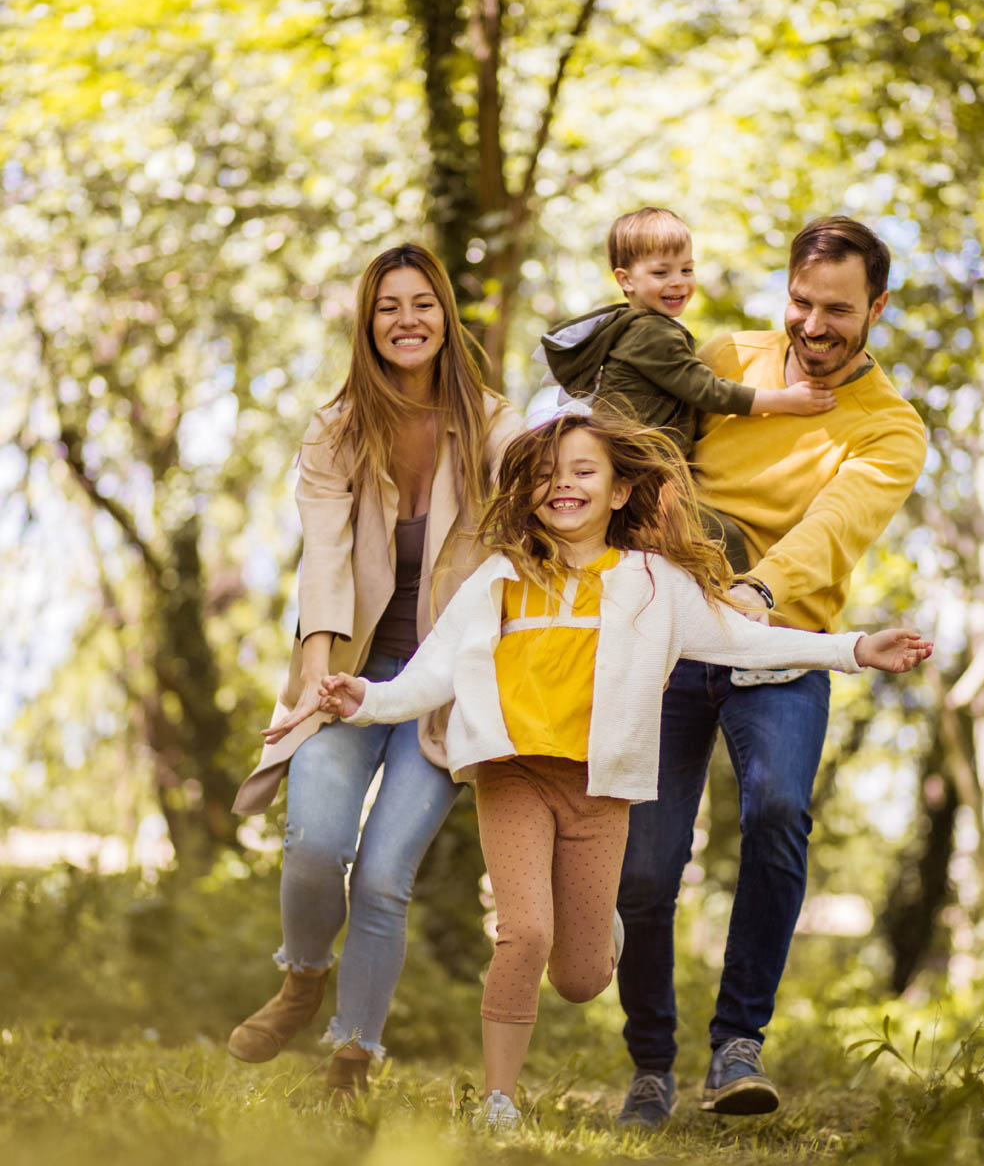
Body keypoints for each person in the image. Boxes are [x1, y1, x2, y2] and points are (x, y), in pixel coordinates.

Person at [316, 411, 931, 1130]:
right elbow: (432, 675)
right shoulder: (500, 577)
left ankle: (595, 926)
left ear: (618, 492)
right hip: (512, 775)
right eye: (547, 474)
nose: (562, 485)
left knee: (578, 978)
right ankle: (499, 1101)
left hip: (598, 788)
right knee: (525, 935)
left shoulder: (653, 582)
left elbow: (744, 642)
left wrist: (855, 649)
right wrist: (367, 700)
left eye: (583, 471)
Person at [615, 216, 930, 1127]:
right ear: (784, 293)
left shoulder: (891, 429)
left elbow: (831, 530)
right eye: (802, 302)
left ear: (876, 307)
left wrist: (753, 594)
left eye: (839, 309)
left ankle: (737, 1044)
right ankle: (649, 1063)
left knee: (779, 810)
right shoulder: (724, 360)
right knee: (646, 865)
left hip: (785, 639)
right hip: (673, 634)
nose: (816, 325)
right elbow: (658, 463)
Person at [226, 243, 522, 1102]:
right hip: (347, 669)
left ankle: (352, 1057)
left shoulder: (496, 426)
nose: (406, 320)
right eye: (388, 306)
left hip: (440, 685)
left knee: (386, 876)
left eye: (422, 303)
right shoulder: (337, 429)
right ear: (368, 322)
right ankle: (303, 978)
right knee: (316, 844)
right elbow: (322, 555)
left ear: (446, 316)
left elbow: (540, 505)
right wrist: (315, 676)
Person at [537, 207, 836, 572]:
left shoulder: (637, 326)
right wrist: (786, 400)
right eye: (661, 272)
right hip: (638, 471)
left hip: (633, 469)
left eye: (687, 269)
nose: (678, 282)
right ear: (625, 279)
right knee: (721, 538)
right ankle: (741, 612)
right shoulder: (652, 333)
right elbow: (708, 391)